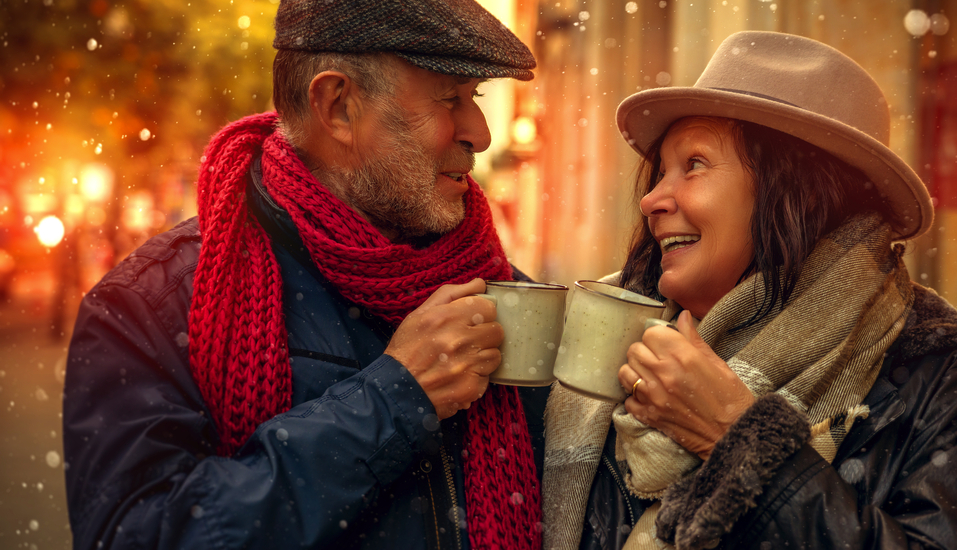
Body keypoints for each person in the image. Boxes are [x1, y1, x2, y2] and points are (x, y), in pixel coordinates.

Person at [62, 1, 548, 549]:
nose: (479, 134)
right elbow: (138, 537)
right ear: (337, 105)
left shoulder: (510, 299)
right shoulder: (147, 306)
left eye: (475, 97)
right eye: (449, 98)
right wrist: (393, 402)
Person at [541, 31, 957, 550]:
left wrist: (736, 439)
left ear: (798, 193)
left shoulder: (933, 370)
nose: (650, 200)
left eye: (693, 164)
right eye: (659, 172)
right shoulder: (606, 331)